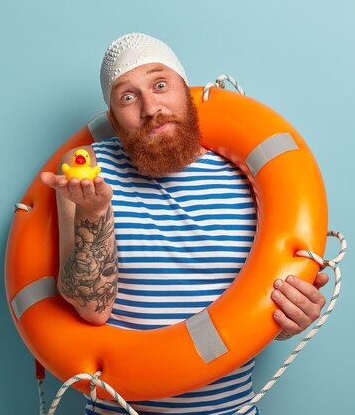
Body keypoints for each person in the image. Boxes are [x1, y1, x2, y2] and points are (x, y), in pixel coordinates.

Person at [41, 32, 329, 415]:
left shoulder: (248, 174)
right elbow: (92, 308)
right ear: (112, 117)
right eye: (128, 97)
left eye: (160, 85)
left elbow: (257, 306)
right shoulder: (88, 172)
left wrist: (289, 317)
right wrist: (93, 214)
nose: (150, 107)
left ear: (186, 90)